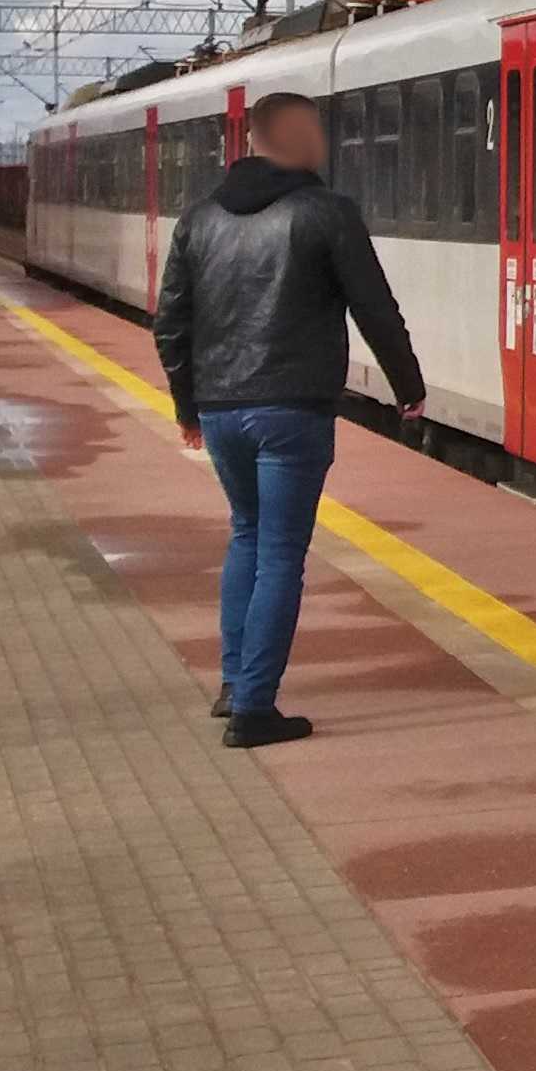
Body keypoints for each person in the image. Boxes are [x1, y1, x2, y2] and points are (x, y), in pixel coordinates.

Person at [152, 90, 426, 749]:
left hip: (221, 408)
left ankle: (233, 684)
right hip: (292, 408)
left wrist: (188, 407)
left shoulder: (199, 218)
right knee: (278, 550)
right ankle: (254, 709)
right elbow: (374, 307)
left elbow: (170, 326)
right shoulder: (327, 212)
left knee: (246, 535)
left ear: (249, 140)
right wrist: (408, 388)